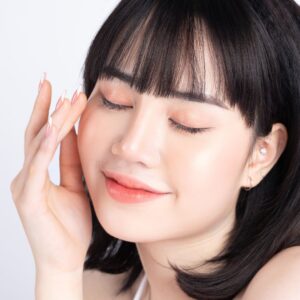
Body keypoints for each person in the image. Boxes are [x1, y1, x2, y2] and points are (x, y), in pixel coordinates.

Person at [10, 0, 300, 299]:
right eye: (115, 100)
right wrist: (58, 270)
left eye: (187, 123)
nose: (131, 146)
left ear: (261, 154)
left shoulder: (291, 283)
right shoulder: (97, 287)